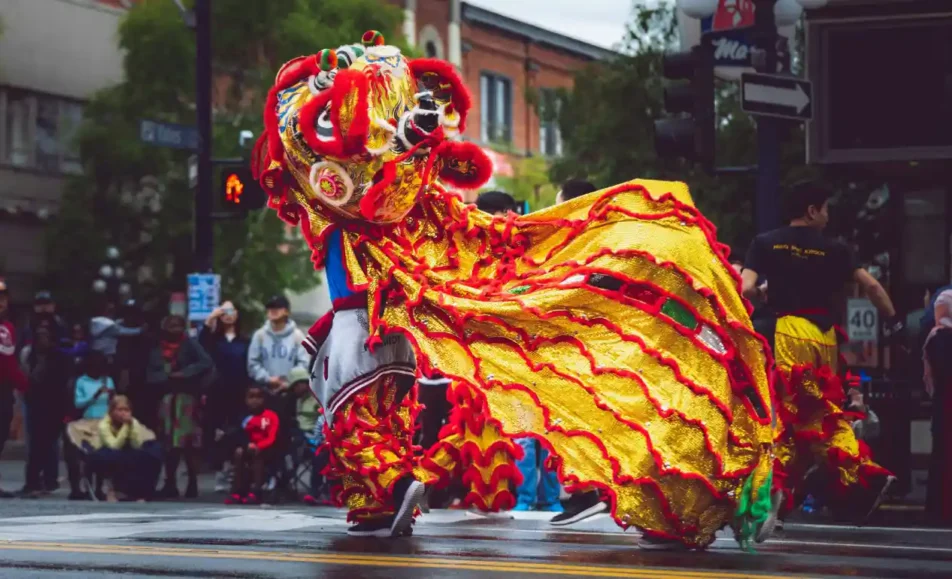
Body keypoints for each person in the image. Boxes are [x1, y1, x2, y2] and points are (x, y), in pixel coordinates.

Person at [257, 36, 774, 549]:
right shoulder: (387, 212)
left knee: (356, 418)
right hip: (393, 333)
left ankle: (384, 492)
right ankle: (385, 495)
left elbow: (325, 178)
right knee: (376, 417)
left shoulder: (375, 214)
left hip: (363, 330)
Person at [742, 181, 898, 534]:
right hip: (826, 338)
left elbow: (746, 288)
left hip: (789, 332)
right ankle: (783, 496)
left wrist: (764, 300)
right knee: (817, 412)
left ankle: (781, 492)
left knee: (793, 413)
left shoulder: (765, 242)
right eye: (825, 209)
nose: (827, 217)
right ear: (811, 211)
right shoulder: (836, 249)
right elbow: (872, 287)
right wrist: (895, 323)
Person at [147, 315, 213, 499]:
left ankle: (192, 482)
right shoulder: (157, 348)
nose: (174, 329)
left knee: (189, 443)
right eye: (170, 325)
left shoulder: (190, 344)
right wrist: (167, 377)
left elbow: (206, 362)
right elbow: (151, 374)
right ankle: (170, 482)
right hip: (166, 400)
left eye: (177, 326)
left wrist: (184, 374)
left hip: (187, 399)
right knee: (168, 443)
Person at [200, 300, 251, 492]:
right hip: (218, 391)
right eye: (224, 312)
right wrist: (212, 317)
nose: (228, 315)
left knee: (238, 429)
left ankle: (235, 471)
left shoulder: (245, 341)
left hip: (240, 390)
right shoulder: (214, 340)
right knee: (218, 431)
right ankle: (221, 470)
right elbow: (202, 342)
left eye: (231, 310)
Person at [19, 323, 72, 496]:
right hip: (35, 404)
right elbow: (26, 378)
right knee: (35, 445)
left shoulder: (59, 358)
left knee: (50, 444)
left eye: (45, 335)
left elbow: (63, 384)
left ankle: (50, 481)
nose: (42, 339)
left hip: (54, 406)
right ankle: (32, 482)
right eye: (39, 335)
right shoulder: (30, 355)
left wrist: (64, 410)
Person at [90, 395, 161, 502]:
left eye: (126, 410)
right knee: (114, 457)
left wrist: (131, 426)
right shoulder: (104, 424)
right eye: (119, 410)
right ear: (112, 411)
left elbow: (136, 444)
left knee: (150, 455)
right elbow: (114, 446)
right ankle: (114, 490)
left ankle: (142, 493)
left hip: (126, 452)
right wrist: (125, 427)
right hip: (107, 453)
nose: (123, 413)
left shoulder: (133, 422)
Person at [67, 350, 116, 499]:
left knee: (102, 457)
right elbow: (78, 403)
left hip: (104, 422)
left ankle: (99, 487)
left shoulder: (108, 380)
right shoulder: (81, 381)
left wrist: (111, 396)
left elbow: (114, 402)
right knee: (88, 456)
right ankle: (86, 487)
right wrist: (95, 395)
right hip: (88, 422)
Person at [922, 289, 952, 524]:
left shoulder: (935, 337)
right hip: (946, 405)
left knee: (941, 455)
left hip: (943, 406)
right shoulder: (941, 337)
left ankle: (938, 510)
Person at [225, 384, 280, 505]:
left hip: (266, 449)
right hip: (247, 447)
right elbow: (238, 434)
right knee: (238, 453)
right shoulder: (243, 416)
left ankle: (256, 491)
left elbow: (272, 437)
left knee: (257, 455)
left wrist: (259, 446)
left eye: (259, 397)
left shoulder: (271, 416)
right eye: (251, 397)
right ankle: (237, 490)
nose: (255, 400)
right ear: (246, 399)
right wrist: (247, 445)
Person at [0, 279, 28, 498]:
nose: (1, 302)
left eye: (3, 298)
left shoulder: (9, 328)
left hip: (4, 389)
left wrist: (26, 386)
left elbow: (10, 363)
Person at [247, 295, 307, 391]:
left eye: (278, 307)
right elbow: (253, 364)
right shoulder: (259, 335)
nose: (273, 310)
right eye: (270, 307)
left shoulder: (297, 336)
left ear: (287, 311)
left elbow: (304, 364)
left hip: (290, 392)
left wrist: (289, 381)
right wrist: (268, 379)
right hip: (264, 391)